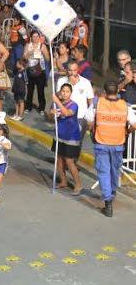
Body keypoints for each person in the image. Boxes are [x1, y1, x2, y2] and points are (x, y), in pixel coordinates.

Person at [87, 80, 135, 217]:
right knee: (114, 171)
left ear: (105, 91)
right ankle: (112, 193)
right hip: (118, 144)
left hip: (101, 143)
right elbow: (134, 124)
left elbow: (89, 120)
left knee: (103, 172)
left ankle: (108, 203)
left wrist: (92, 130)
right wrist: (127, 132)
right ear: (117, 91)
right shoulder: (125, 105)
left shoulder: (97, 103)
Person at [50, 83, 82, 195]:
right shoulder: (56, 104)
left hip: (71, 137)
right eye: (63, 91)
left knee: (69, 161)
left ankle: (78, 184)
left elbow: (67, 113)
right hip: (59, 136)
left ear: (70, 93)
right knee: (59, 159)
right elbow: (50, 117)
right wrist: (52, 113)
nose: (64, 93)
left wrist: (57, 102)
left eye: (67, 91)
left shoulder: (74, 105)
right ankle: (63, 181)